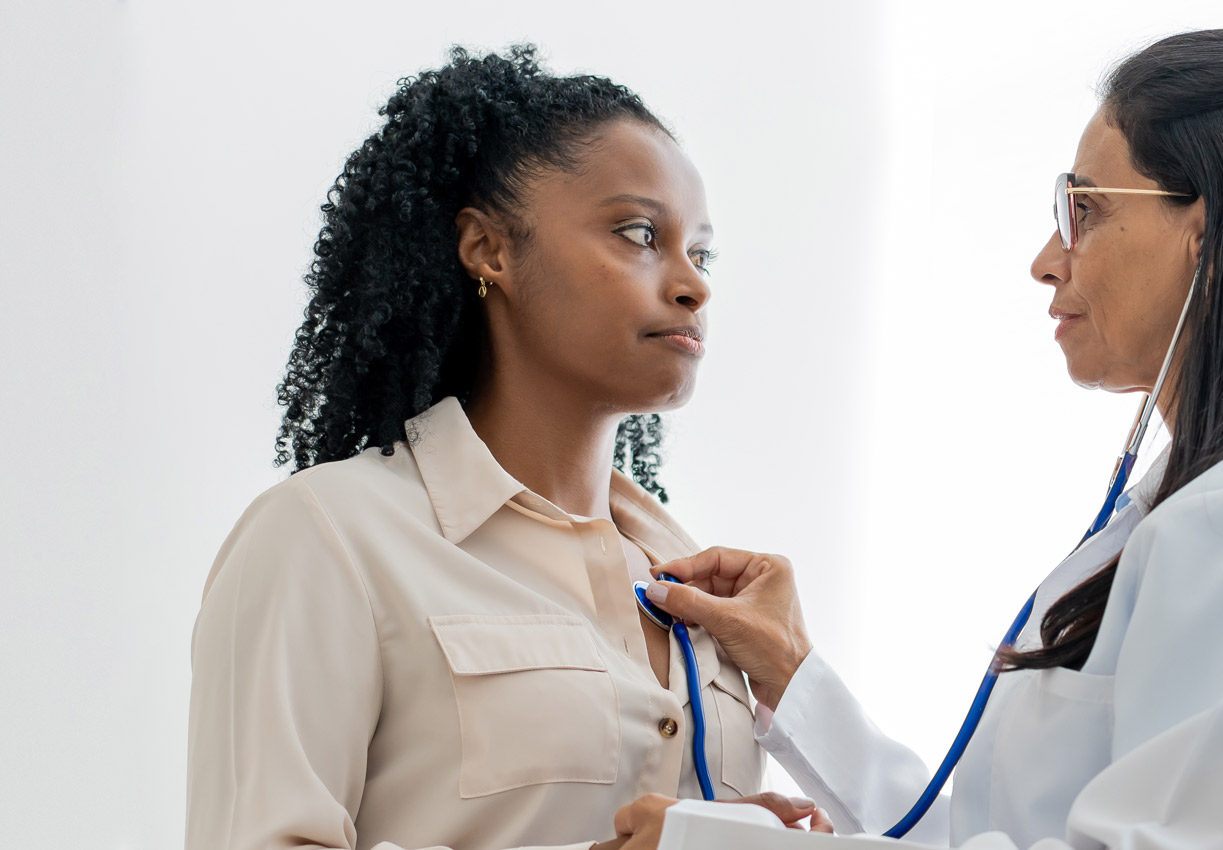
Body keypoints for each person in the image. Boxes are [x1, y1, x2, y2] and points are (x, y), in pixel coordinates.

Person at [617, 28, 1223, 850]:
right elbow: (991, 836)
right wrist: (792, 675)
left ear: (1210, 232)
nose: (1045, 258)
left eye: (1085, 209)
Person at [185, 46, 828, 850]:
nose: (692, 284)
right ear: (489, 250)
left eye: (701, 254)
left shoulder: (702, 593)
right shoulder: (327, 536)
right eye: (639, 234)